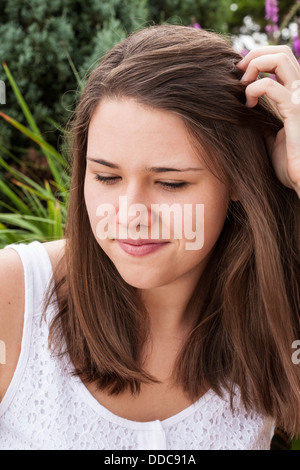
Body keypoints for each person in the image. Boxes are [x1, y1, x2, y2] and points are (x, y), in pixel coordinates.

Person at [0, 25, 299, 450]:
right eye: (106, 176)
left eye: (171, 183)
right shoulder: (12, 298)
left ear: (238, 180)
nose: (130, 213)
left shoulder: (275, 308)